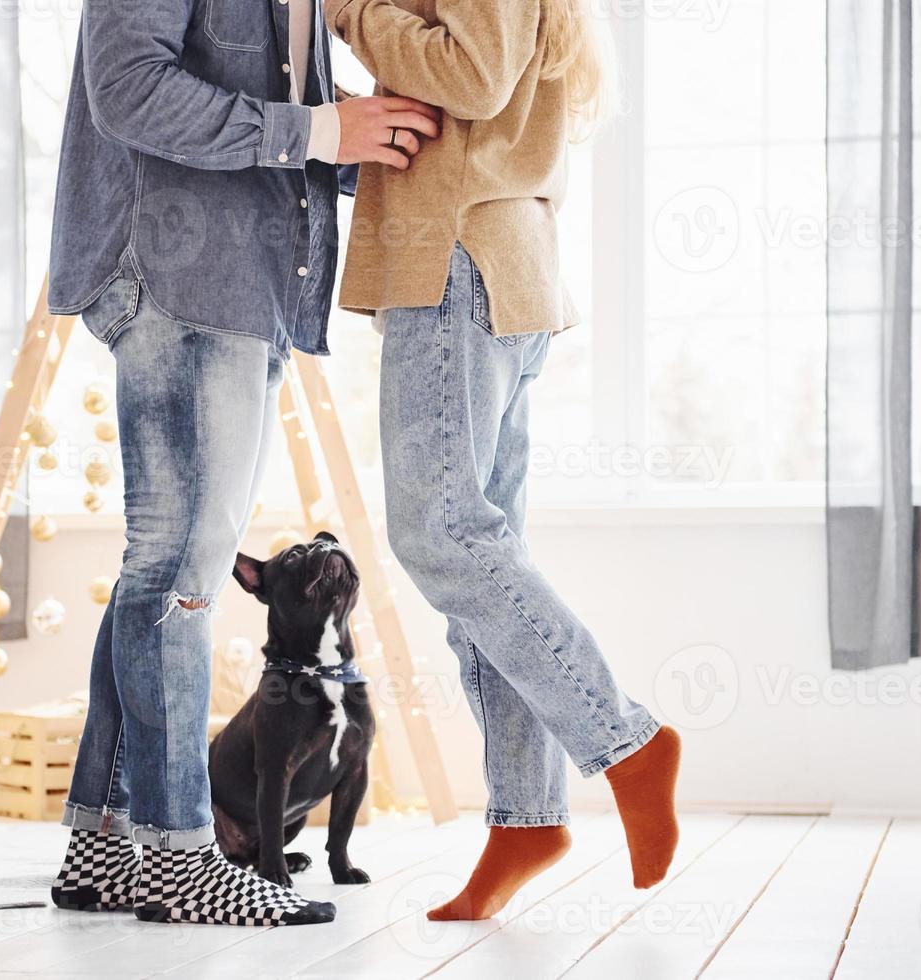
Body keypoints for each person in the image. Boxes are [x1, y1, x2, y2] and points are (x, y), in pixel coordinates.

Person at [44, 0, 440, 927]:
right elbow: (128, 89)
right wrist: (324, 128)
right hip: (185, 274)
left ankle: (105, 846)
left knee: (160, 571)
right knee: (177, 575)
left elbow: (274, 112)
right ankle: (179, 858)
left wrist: (352, 132)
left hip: (245, 281)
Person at [325, 0, 683, 919]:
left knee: (443, 538)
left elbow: (475, 75)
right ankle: (525, 821)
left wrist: (350, 14)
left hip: (457, 266)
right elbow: (478, 79)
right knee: (484, 559)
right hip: (501, 270)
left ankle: (624, 740)